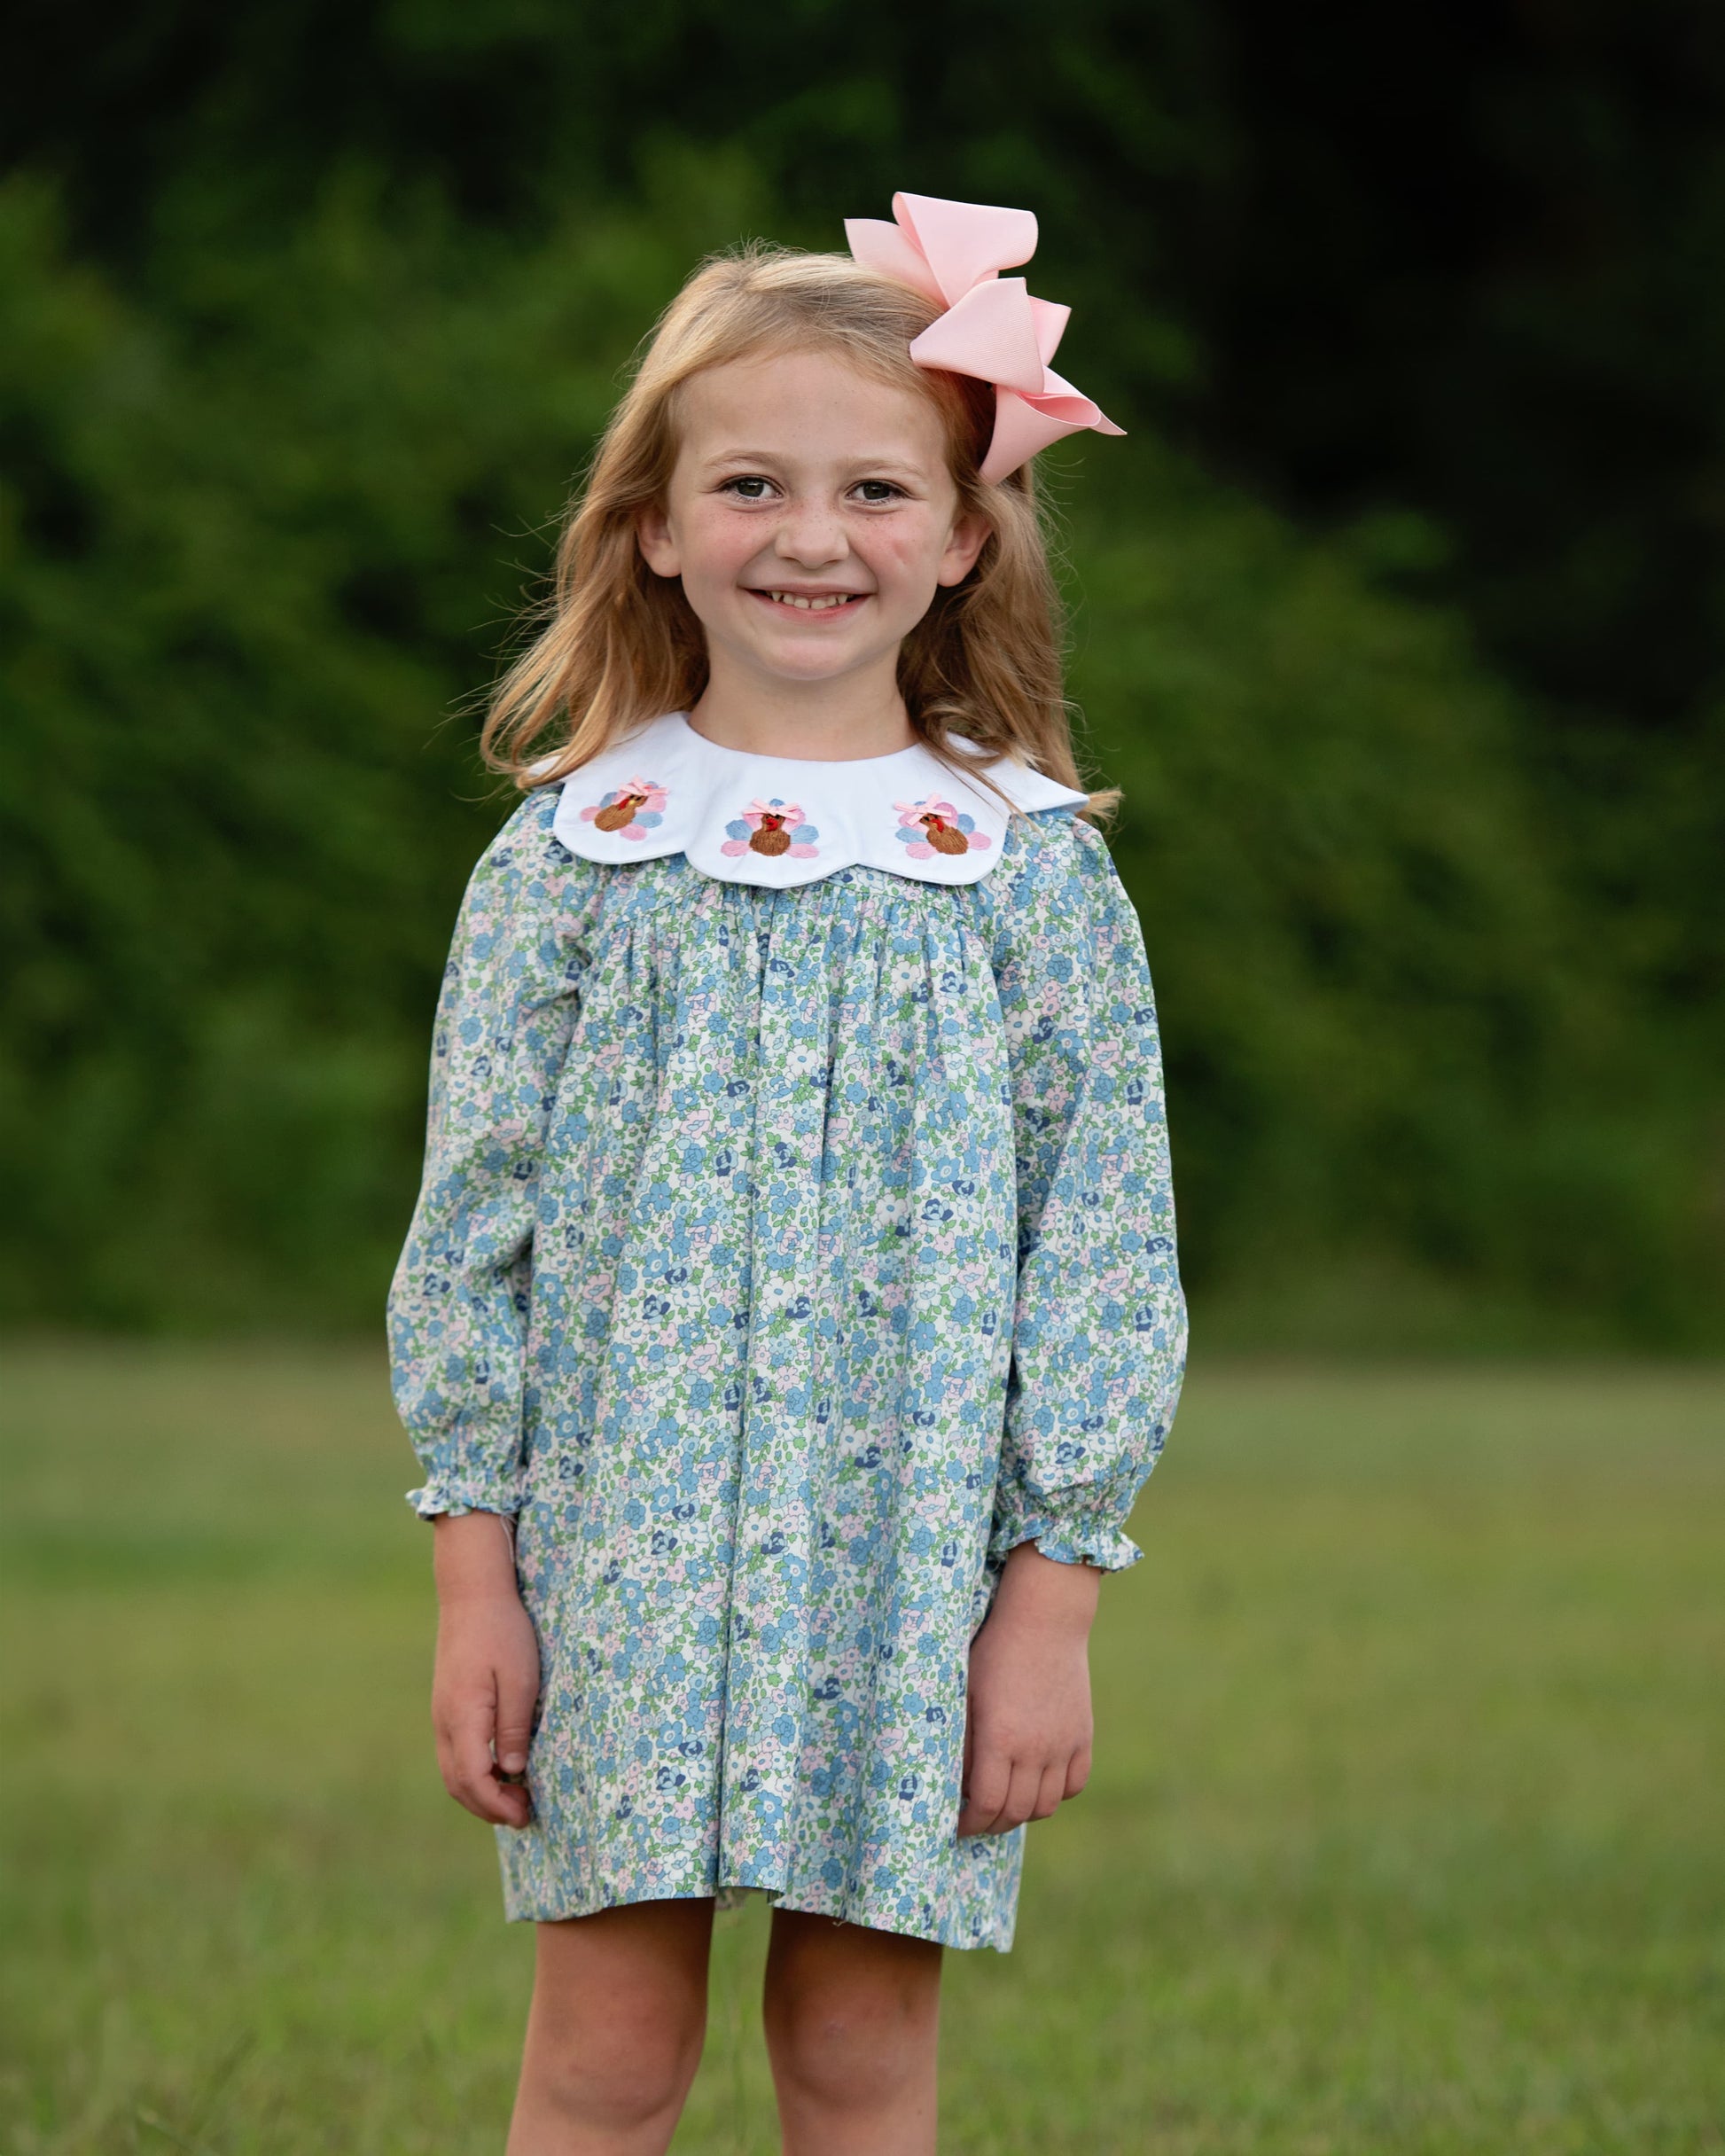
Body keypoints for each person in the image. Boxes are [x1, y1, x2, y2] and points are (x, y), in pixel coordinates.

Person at [387, 191, 1187, 2156]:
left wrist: (1049, 1602)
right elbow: (468, 1232)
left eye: (870, 490)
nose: (811, 536)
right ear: (655, 521)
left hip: (905, 1572)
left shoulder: (1024, 870)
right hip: (616, 1560)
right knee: (604, 2051)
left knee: (851, 2054)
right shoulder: (575, 852)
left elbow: (1100, 1249)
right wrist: (474, 1585)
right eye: (749, 483)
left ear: (961, 530)